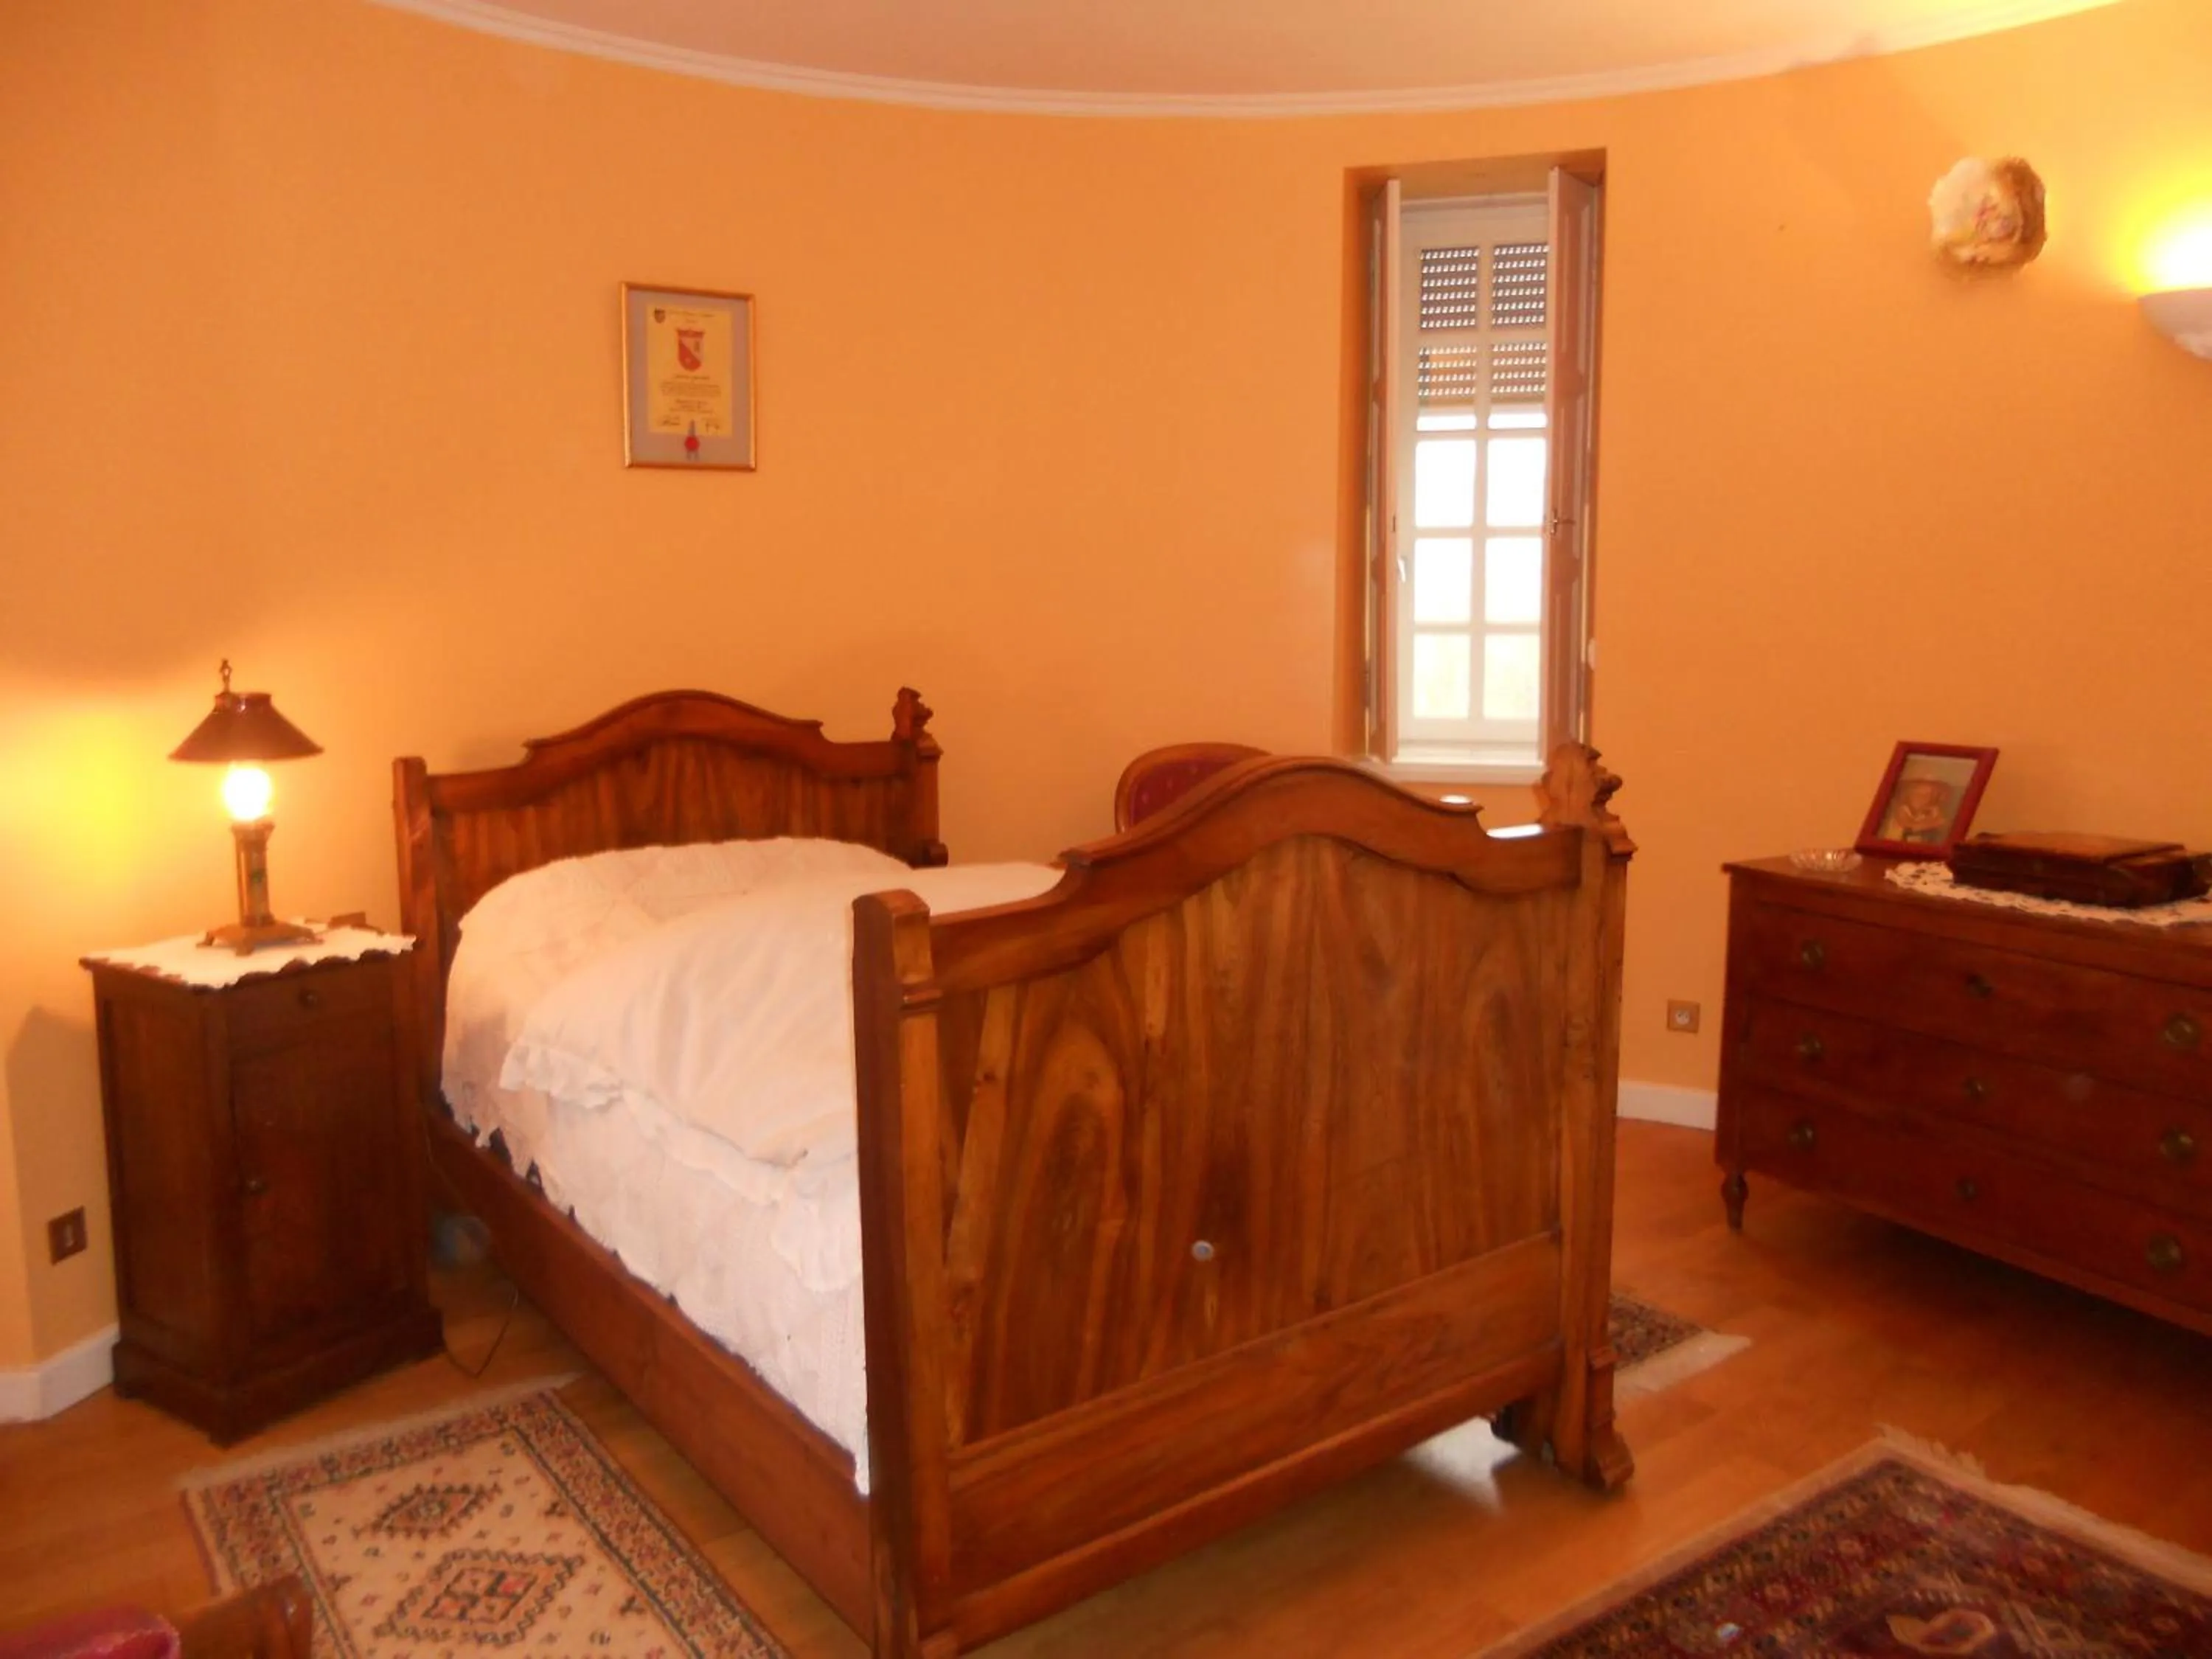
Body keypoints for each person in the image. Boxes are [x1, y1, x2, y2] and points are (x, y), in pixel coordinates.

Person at [1888, 775, 1952, 843]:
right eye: (1920, 795)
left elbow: (1942, 823)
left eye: (1930, 795)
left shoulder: (1928, 811)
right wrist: (1932, 823)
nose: (1926, 799)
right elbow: (1909, 826)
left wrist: (1935, 816)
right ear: (1908, 796)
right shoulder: (1903, 809)